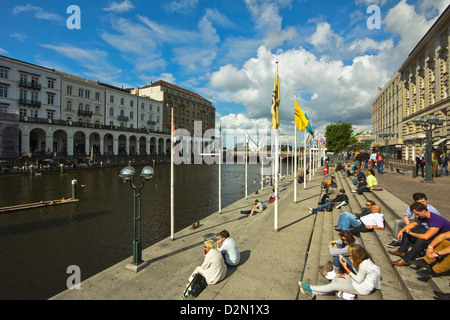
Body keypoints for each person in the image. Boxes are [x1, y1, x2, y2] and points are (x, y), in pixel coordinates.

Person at [299, 245, 381, 299]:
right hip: (360, 284)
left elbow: (359, 280)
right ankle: (313, 293)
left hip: (362, 288)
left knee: (334, 285)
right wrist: (351, 264)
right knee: (338, 277)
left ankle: (311, 288)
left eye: (351, 254)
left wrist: (347, 268)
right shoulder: (366, 259)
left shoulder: (364, 264)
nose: (350, 256)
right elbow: (360, 274)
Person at [390, 202, 450, 267]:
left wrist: (411, 233)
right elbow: (413, 224)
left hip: (446, 240)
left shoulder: (436, 220)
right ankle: (402, 251)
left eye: (417, 214)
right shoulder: (425, 216)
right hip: (438, 236)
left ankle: (407, 260)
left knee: (421, 240)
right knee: (408, 232)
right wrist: (401, 230)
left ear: (423, 211)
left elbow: (426, 237)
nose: (417, 216)